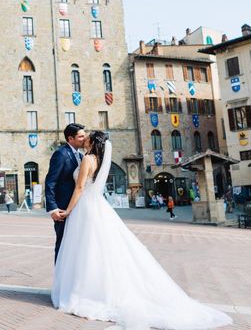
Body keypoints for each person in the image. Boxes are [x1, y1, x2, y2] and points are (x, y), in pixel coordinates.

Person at [51, 131, 232, 329]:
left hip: (84, 207)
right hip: (96, 206)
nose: (84, 139)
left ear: (92, 143)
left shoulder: (87, 159)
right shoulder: (100, 160)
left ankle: (85, 292)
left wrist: (68, 210)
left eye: (87, 138)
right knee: (97, 249)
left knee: (87, 249)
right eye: (82, 137)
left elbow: (79, 188)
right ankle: (94, 290)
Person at [45, 123, 86, 262]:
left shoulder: (81, 156)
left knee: (76, 244)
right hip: (62, 209)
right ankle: (60, 276)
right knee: (62, 243)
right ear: (70, 138)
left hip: (77, 207)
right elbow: (51, 181)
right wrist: (53, 209)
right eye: (80, 136)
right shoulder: (60, 154)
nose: (84, 138)